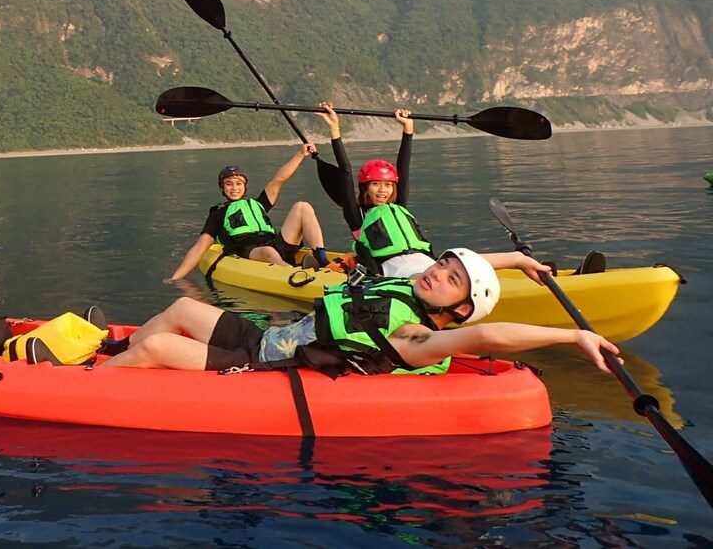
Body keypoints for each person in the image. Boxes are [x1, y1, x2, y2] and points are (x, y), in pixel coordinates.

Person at [104, 248, 621, 376]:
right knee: (180, 306)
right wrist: (521, 260)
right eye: (440, 264)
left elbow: (488, 337)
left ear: (460, 308)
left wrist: (571, 335)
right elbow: (470, 265)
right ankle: (110, 354)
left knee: (157, 346)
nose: (437, 272)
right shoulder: (410, 287)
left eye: (450, 278)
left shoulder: (416, 337)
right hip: (264, 336)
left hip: (266, 367)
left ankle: (93, 381)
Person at [167, 145, 327, 282]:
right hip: (250, 251)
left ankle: (322, 258)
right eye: (228, 184)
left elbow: (279, 179)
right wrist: (176, 278)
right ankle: (295, 274)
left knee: (302, 207)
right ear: (222, 188)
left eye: (238, 184)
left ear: (245, 186)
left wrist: (300, 154)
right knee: (268, 252)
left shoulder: (258, 204)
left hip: (276, 244)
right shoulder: (218, 214)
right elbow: (200, 246)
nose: (234, 188)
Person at [316, 103, 433, 278]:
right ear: (366, 188)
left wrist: (408, 129)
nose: (382, 190)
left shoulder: (398, 205)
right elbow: (345, 171)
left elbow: (403, 168)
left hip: (426, 262)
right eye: (375, 184)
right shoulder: (357, 217)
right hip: (395, 271)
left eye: (388, 185)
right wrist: (334, 128)